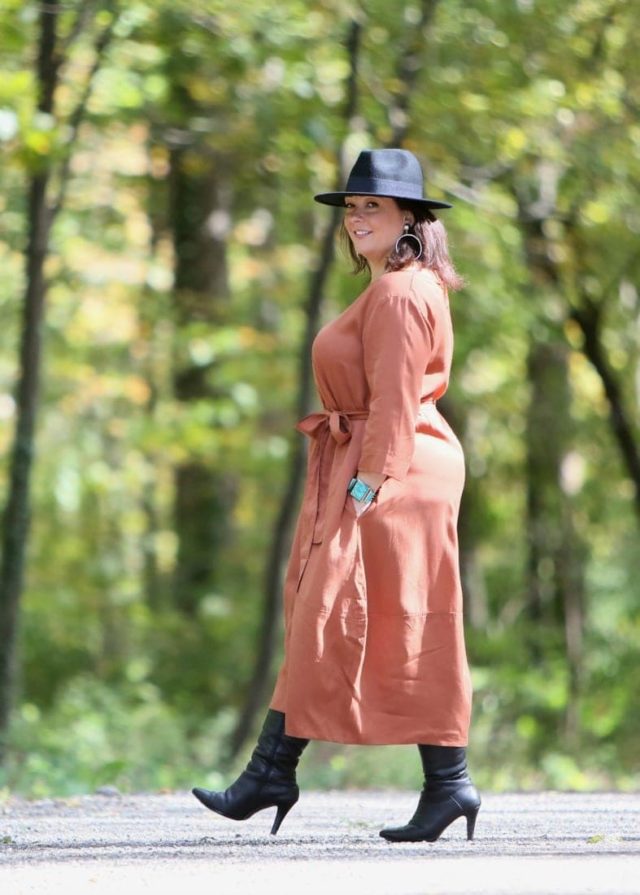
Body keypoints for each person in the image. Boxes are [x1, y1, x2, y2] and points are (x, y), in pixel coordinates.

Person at [192, 148, 480, 842]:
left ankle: (277, 772)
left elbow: (393, 400)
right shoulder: (395, 286)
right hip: (383, 465)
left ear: (411, 216)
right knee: (364, 613)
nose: (357, 219)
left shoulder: (402, 291)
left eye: (372, 207)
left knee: (355, 611)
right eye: (352, 208)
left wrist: (367, 483)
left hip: (395, 473)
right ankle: (440, 783)